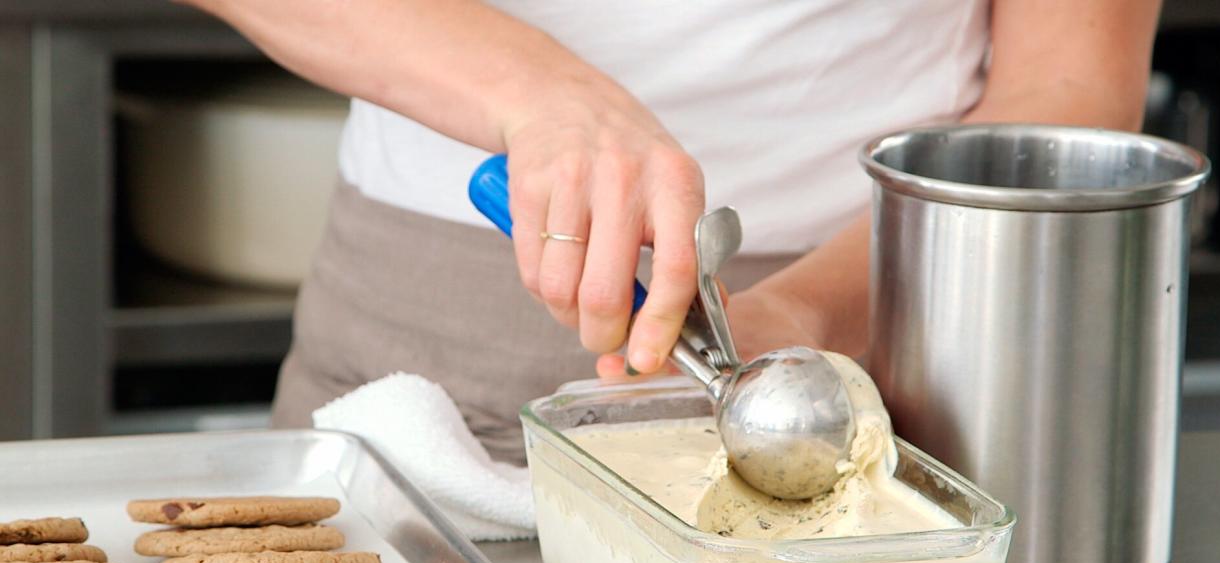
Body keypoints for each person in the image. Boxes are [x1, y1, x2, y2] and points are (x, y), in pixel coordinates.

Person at [180, 0, 1160, 463]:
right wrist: (540, 91)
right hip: (429, 360)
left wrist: (806, 308)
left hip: (884, 348)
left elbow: (1068, 86)